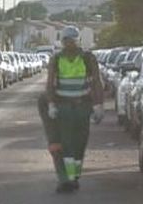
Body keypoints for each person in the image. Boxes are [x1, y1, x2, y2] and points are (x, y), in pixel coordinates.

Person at [43, 26, 105, 192]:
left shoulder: (87, 58)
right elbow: (50, 84)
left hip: (82, 106)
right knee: (68, 143)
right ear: (62, 42)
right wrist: (51, 104)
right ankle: (70, 178)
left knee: (80, 143)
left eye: (72, 40)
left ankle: (75, 176)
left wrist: (98, 104)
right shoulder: (56, 59)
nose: (69, 43)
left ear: (78, 41)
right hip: (64, 107)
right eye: (66, 41)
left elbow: (96, 82)